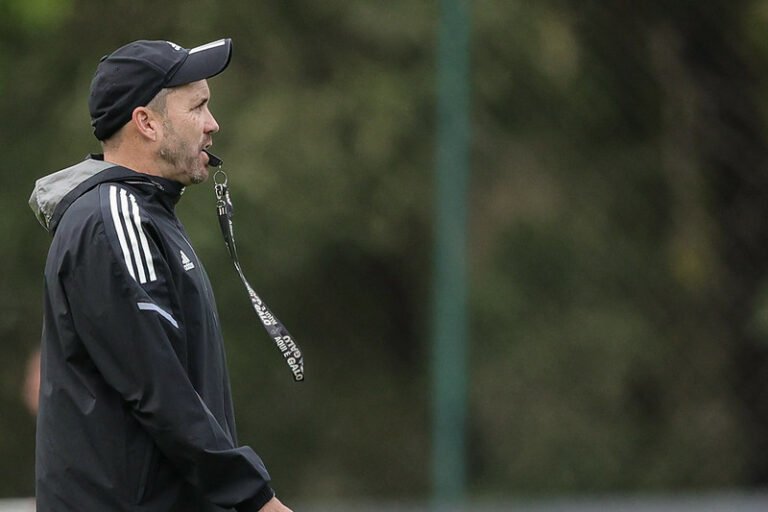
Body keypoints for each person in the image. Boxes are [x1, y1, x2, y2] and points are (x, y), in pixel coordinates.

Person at [28, 38, 293, 512]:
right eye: (198, 107)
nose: (212, 124)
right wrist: (256, 500)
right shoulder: (113, 219)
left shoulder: (145, 212)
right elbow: (161, 391)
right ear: (147, 123)